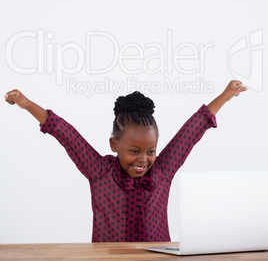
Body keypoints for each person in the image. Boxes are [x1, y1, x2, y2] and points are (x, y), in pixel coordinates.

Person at [4, 80, 247, 242]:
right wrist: (26, 104)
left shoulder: (163, 170)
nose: (143, 160)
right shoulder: (99, 171)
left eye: (151, 151)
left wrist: (225, 95)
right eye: (133, 151)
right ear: (114, 145)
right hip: (108, 258)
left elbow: (192, 130)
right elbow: (65, 132)